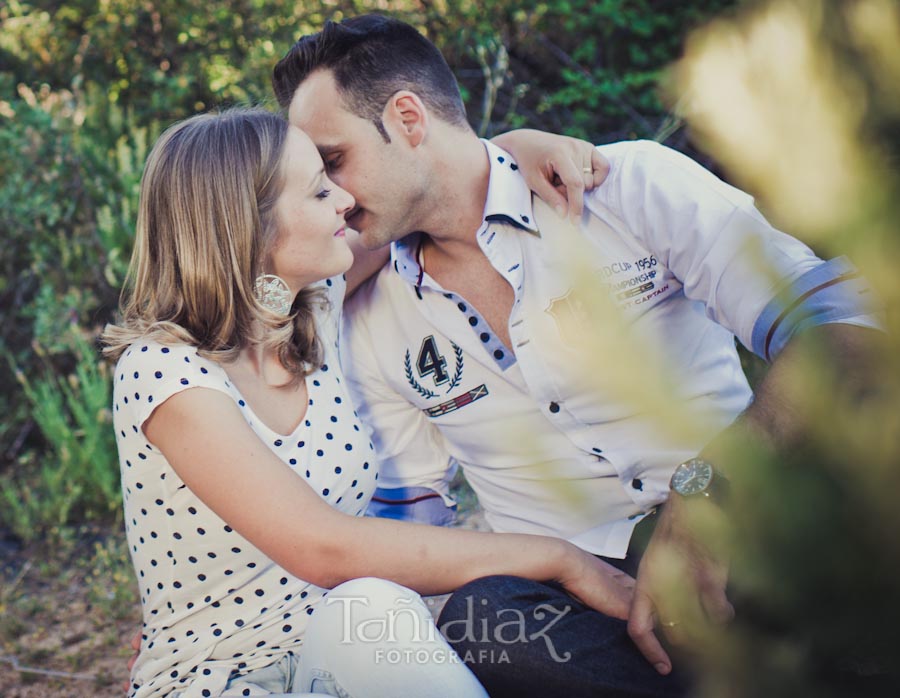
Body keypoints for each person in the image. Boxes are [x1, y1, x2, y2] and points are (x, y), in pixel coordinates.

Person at [271, 13, 884, 698]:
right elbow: (405, 525)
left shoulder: (627, 189)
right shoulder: (366, 314)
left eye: (333, 161)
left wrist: (705, 496)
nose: (334, 198)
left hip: (750, 537)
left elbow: (848, 330)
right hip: (583, 616)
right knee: (484, 624)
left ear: (409, 119)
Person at [102, 105, 636, 697]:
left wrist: (516, 147)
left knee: (366, 611)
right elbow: (323, 548)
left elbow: (436, 189)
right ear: (248, 228)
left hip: (340, 660)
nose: (344, 201)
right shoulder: (161, 370)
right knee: (366, 602)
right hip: (222, 680)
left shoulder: (315, 310)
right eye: (317, 190)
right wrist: (560, 559)